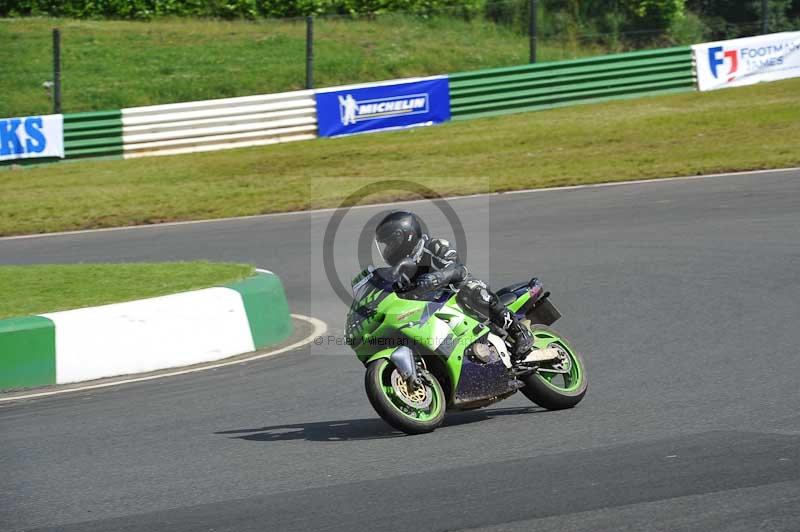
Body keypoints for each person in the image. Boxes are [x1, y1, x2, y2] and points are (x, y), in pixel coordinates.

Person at [374, 210, 533, 360]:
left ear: (403, 236)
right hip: (436, 309)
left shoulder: (436, 246)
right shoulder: (404, 270)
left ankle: (519, 332)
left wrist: (438, 277)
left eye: (389, 243)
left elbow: (458, 269)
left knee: (474, 291)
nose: (387, 250)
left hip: (459, 296)